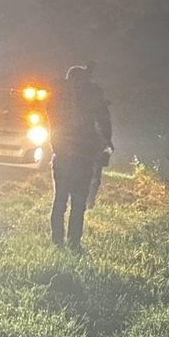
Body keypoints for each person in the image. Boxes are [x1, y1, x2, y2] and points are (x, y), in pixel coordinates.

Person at [48, 65, 106, 251]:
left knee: (60, 201)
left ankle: (58, 241)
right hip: (82, 158)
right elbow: (101, 120)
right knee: (78, 203)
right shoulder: (88, 99)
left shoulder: (57, 99)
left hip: (63, 157)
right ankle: (73, 244)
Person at [82, 61, 113, 208]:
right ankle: (88, 201)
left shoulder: (77, 93)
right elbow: (103, 123)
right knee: (94, 173)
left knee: (86, 171)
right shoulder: (96, 93)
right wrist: (107, 142)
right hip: (94, 141)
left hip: (81, 140)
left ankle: (83, 200)